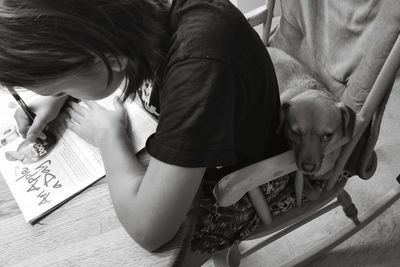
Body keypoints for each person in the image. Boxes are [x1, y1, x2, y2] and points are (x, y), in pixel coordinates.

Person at [0, 0, 290, 264]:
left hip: (245, 180)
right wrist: (55, 92)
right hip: (200, 135)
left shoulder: (199, 67)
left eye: (62, 88)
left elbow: (149, 229)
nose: (62, 95)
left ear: (110, 58)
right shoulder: (130, 17)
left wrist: (108, 138)